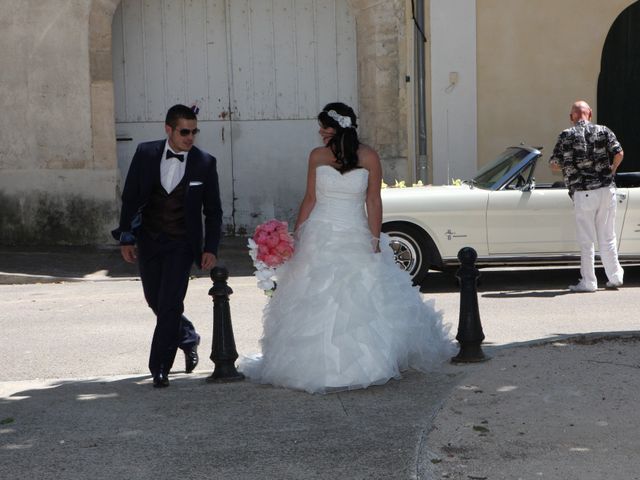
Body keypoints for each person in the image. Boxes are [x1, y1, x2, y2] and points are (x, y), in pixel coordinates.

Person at [240, 102, 454, 394]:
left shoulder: (369, 157)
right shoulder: (316, 156)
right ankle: (310, 367)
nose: (320, 132)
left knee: (361, 300)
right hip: (319, 232)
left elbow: (373, 201)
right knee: (314, 298)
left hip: (356, 233)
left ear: (338, 127)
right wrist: (296, 236)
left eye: (324, 127)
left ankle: (367, 364)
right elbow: (310, 198)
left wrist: (375, 240)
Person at [112, 104, 223, 388]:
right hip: (149, 240)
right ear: (169, 129)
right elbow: (131, 197)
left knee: (171, 302)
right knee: (155, 301)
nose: (190, 137)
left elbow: (213, 211)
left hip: (181, 244)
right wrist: (126, 236)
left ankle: (159, 367)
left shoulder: (205, 162)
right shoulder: (146, 153)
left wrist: (210, 247)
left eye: (194, 131)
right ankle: (187, 335)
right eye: (184, 131)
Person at [549, 100, 624, 292]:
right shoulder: (604, 130)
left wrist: (569, 165)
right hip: (607, 189)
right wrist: (612, 170)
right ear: (589, 114)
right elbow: (619, 153)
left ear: (572, 117)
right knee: (608, 236)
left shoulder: (566, 135)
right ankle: (615, 277)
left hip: (583, 192)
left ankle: (589, 282)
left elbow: (554, 165)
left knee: (587, 240)